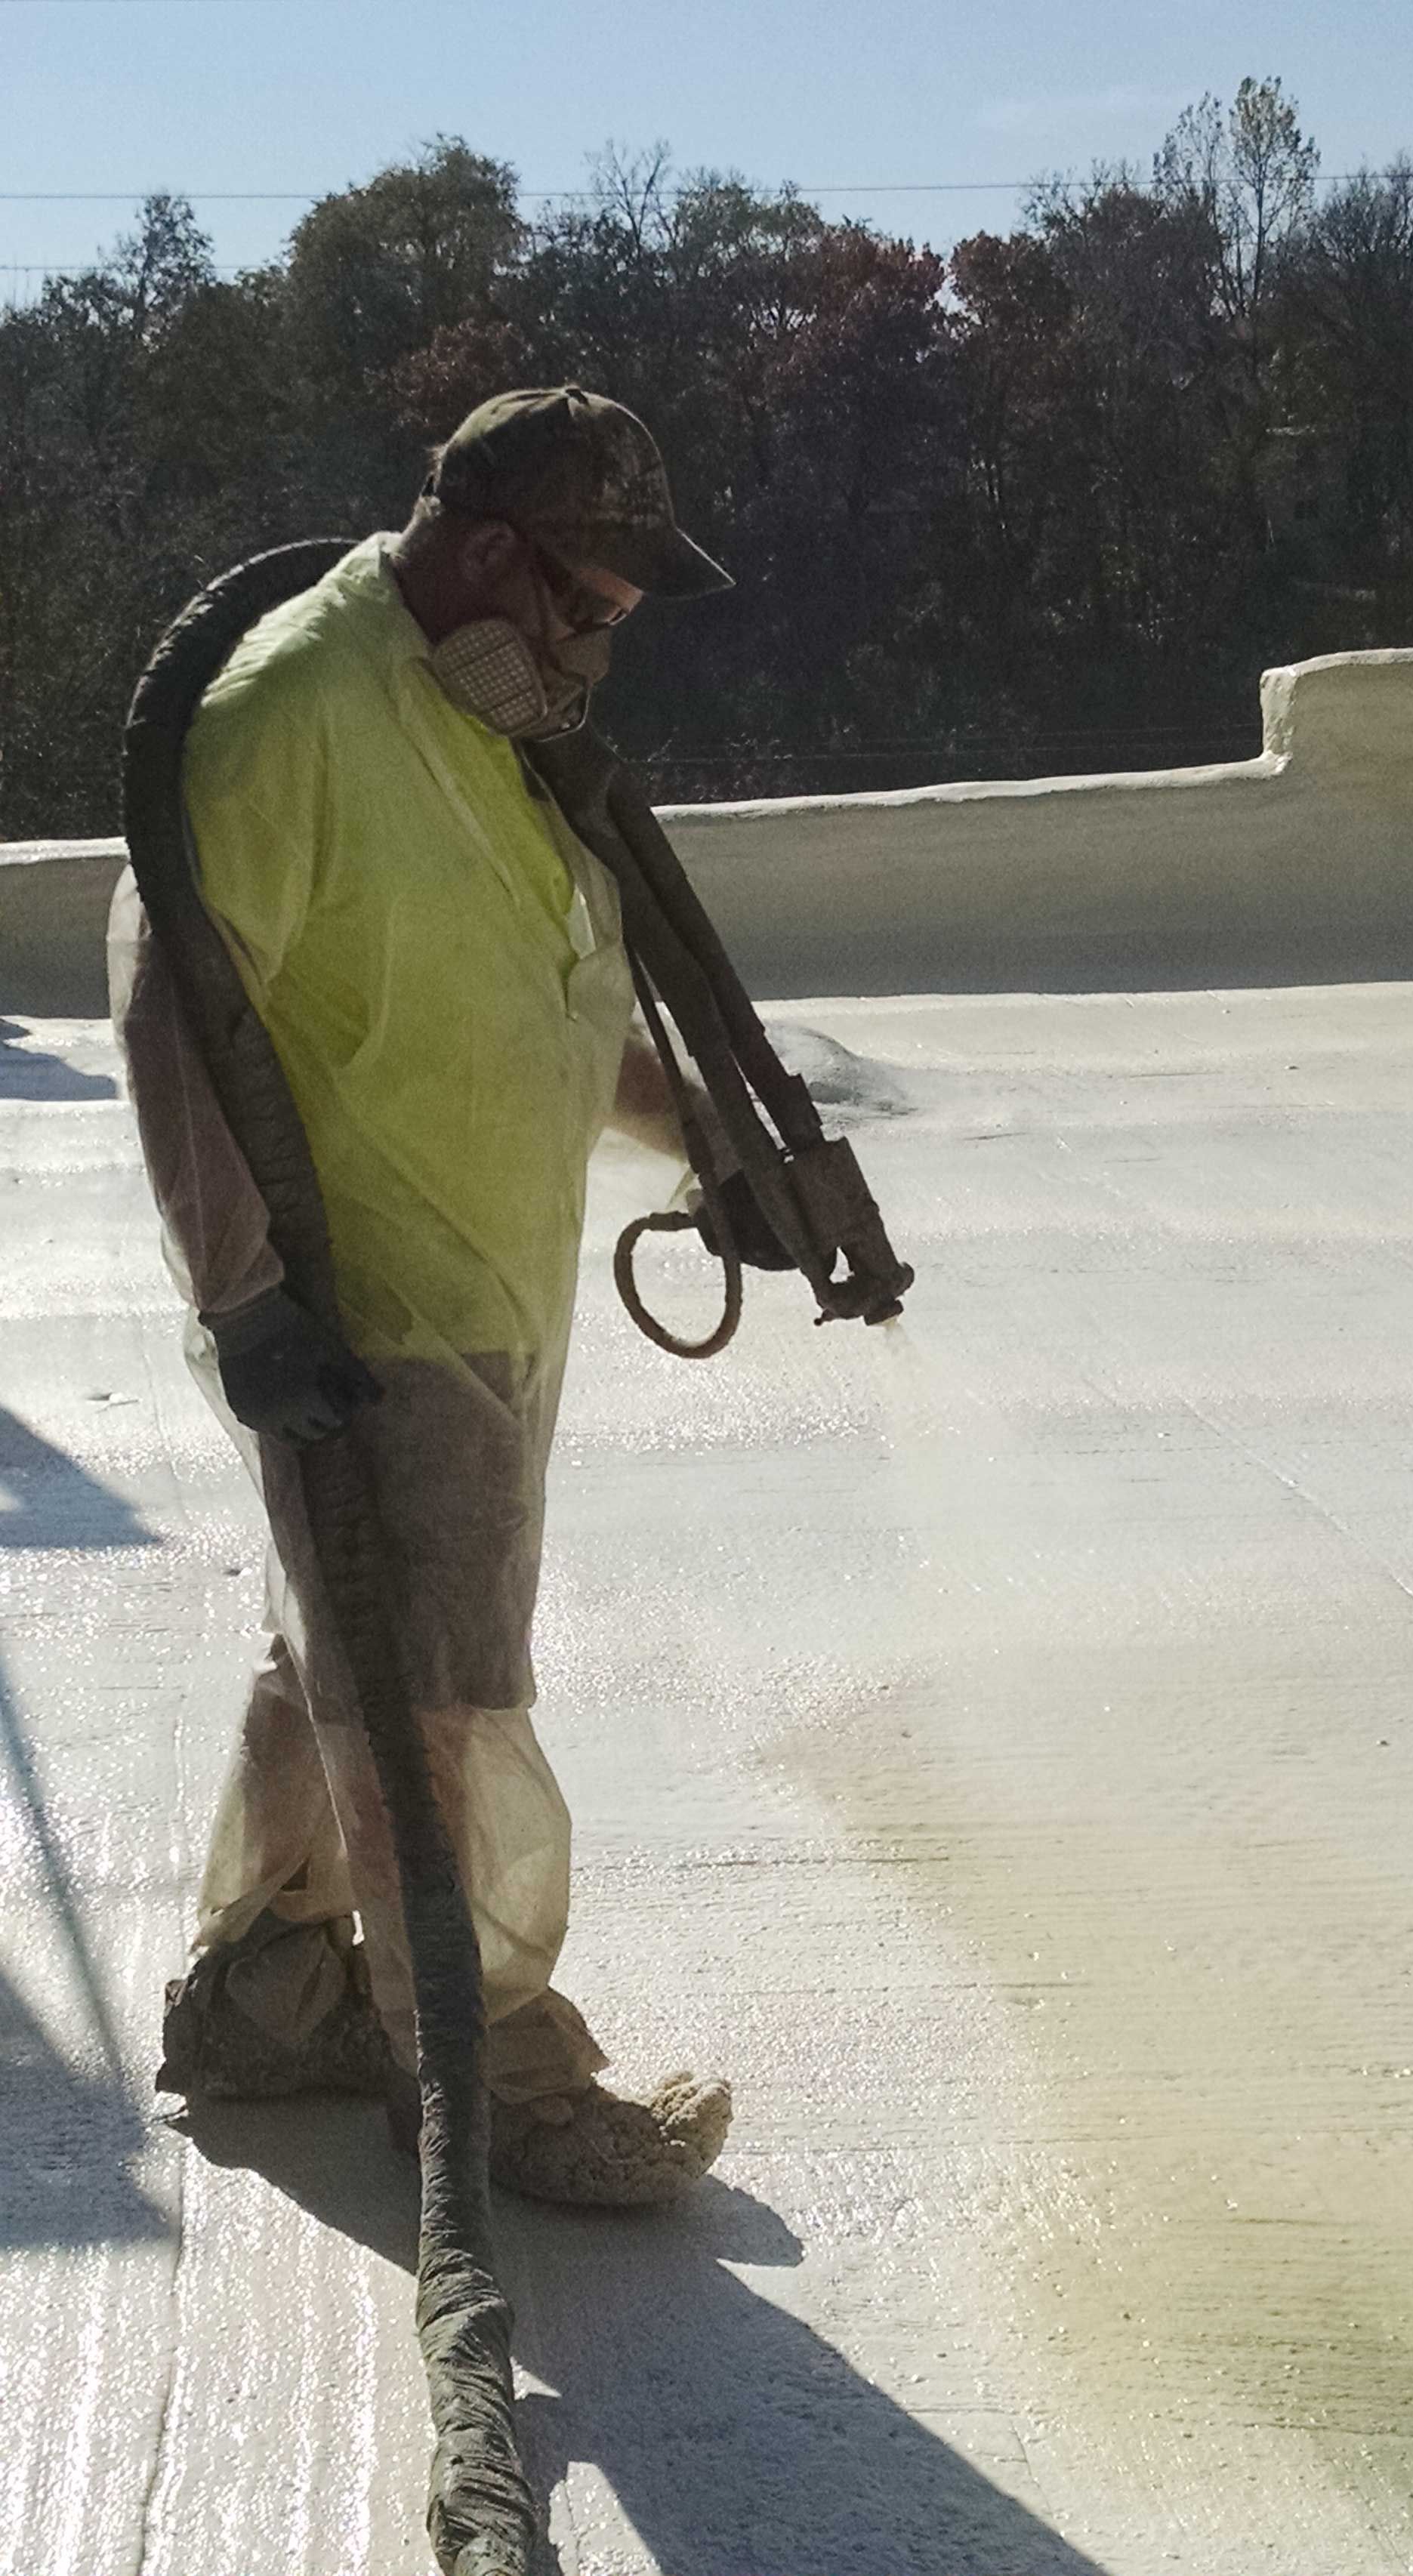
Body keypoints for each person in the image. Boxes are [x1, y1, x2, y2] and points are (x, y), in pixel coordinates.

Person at [110, 385, 767, 2204]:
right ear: (490, 554)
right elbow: (171, 1007)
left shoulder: (489, 718)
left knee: (350, 1648)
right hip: (371, 1306)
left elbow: (540, 996)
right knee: (442, 1703)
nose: (606, 642)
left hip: (487, 1291)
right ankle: (504, 2082)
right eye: (595, 600)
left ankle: (271, 1990)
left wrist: (711, 1141)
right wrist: (246, 1297)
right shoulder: (291, 714)